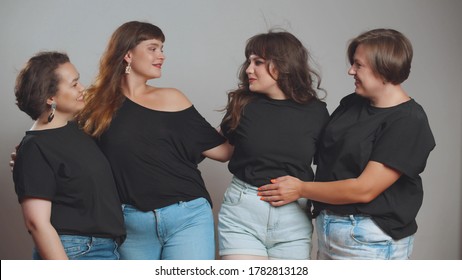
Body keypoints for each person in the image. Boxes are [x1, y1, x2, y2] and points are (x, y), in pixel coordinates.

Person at [258, 28, 436, 260]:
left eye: (358, 65)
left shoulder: (409, 120)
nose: (350, 70)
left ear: (384, 67)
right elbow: (319, 148)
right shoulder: (353, 103)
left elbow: (364, 189)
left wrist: (300, 188)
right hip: (329, 229)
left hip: (371, 239)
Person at [76, 21, 233, 260]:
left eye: (162, 48)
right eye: (153, 48)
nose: (162, 55)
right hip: (130, 223)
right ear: (128, 54)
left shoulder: (172, 98)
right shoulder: (93, 106)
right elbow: (67, 149)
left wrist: (248, 115)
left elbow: (223, 152)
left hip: (187, 216)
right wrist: (27, 155)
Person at [218, 31, 329, 260]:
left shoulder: (316, 112)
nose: (249, 69)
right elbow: (224, 150)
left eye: (258, 62)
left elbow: (330, 167)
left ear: (282, 65)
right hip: (243, 211)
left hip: (294, 217)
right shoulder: (244, 105)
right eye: (249, 61)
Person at [12, 52, 126, 260]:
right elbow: (37, 223)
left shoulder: (79, 131)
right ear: (50, 97)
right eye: (74, 84)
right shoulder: (35, 147)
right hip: (76, 251)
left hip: (103, 247)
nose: (82, 88)